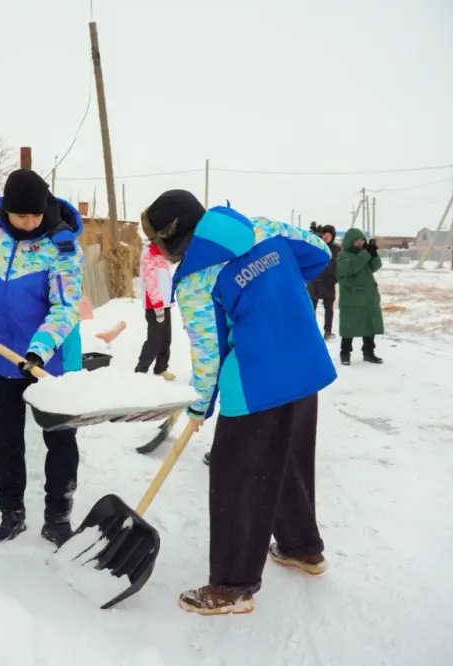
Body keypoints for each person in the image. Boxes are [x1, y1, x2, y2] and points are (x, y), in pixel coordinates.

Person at [140, 190, 337, 616]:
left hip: (255, 382)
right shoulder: (264, 230)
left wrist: (200, 407)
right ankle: (302, 548)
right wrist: (276, 289)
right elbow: (319, 253)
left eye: (156, 241)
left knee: (238, 479)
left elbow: (208, 357)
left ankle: (232, 586)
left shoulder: (195, 280)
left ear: (172, 239)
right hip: (304, 364)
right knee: (287, 461)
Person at [0, 169, 85, 546]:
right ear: (6, 212)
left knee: (60, 440)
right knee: (5, 440)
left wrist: (38, 351)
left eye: (35, 216)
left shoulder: (61, 246)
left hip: (48, 363)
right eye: (21, 216)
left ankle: (58, 517)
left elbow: (66, 307)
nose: (30, 223)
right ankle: (11, 513)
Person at [336, 228, 384, 365]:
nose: (361, 242)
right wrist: (365, 254)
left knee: (369, 325)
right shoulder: (343, 256)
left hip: (368, 296)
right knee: (349, 326)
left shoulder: (364, 254)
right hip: (352, 297)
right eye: (358, 240)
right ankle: (345, 353)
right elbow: (350, 268)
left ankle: (369, 352)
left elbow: (375, 267)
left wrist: (373, 254)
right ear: (351, 241)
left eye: (362, 240)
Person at [134, 240, 175, 379]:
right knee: (155, 339)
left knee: (166, 339)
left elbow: (165, 278)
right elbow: (149, 280)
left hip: (165, 303)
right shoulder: (149, 254)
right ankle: (141, 369)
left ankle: (161, 368)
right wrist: (157, 304)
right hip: (154, 305)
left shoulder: (162, 255)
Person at [307, 223, 340, 339]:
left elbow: (339, 266)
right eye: (324, 234)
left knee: (329, 309)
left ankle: (328, 331)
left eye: (329, 235)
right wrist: (312, 234)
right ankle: (312, 332)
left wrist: (334, 279)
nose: (326, 237)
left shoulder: (337, 249)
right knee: (311, 308)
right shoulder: (317, 246)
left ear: (332, 237)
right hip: (315, 281)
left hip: (328, 283)